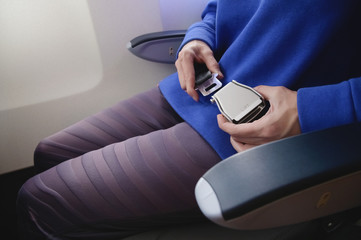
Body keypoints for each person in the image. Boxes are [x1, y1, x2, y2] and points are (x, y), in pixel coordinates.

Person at [17, 0, 361, 239]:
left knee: (41, 200)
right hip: (207, 84)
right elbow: (224, 8)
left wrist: (315, 108)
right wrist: (199, 36)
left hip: (272, 124)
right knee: (50, 153)